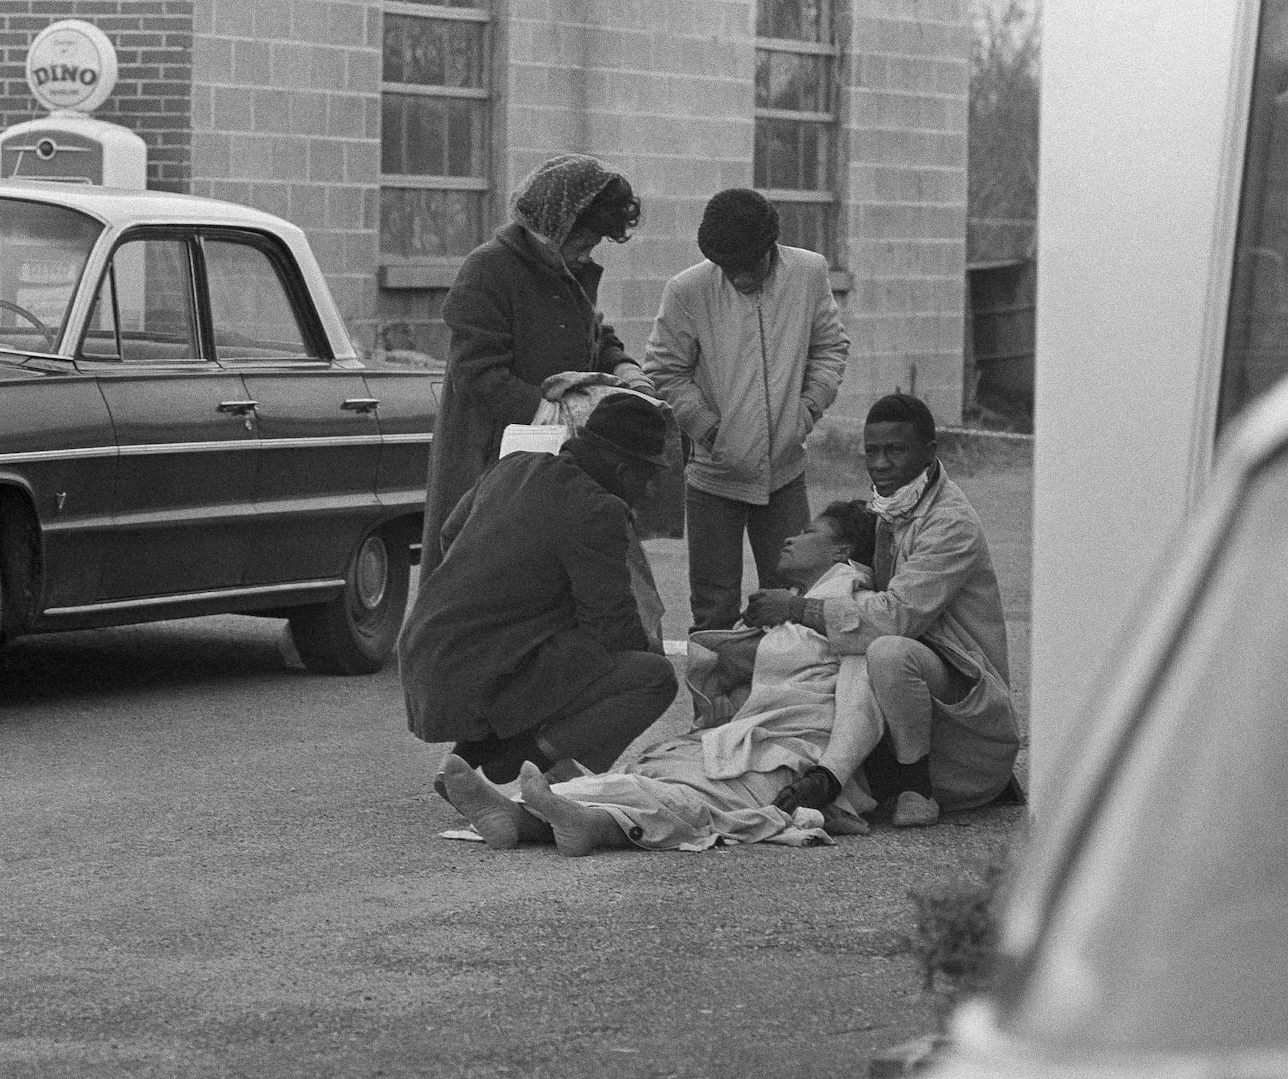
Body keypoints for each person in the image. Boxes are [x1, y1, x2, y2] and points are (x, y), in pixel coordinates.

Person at [437, 500, 885, 855]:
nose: (791, 537)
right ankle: (518, 817)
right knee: (657, 775)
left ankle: (587, 824)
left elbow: (858, 705)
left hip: (789, 757)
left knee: (694, 798)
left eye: (808, 532)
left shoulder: (853, 611)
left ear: (841, 553)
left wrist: (826, 777)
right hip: (743, 742)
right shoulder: (799, 609)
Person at [744, 394, 1021, 827]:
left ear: (929, 453)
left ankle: (918, 790)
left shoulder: (950, 523)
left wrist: (798, 608)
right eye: (872, 451)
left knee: (886, 650)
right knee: (853, 647)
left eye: (895, 450)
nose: (880, 463)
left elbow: (895, 617)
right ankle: (833, 777)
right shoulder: (893, 509)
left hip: (970, 728)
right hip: (912, 707)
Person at [400, 393, 678, 786]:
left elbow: (451, 534)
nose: (649, 488)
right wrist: (649, 644)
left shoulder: (513, 466)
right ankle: (523, 759)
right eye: (646, 474)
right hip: (479, 675)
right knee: (652, 677)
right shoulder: (597, 509)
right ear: (619, 468)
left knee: (549, 649)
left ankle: (460, 766)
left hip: (427, 658)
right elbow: (611, 627)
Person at [421, 153, 651, 577]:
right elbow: (477, 373)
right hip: (490, 453)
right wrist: (552, 414)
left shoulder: (567, 271)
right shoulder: (488, 270)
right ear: (553, 229)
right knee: (484, 573)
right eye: (583, 243)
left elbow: (592, 334)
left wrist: (625, 370)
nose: (587, 255)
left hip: (553, 455)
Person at [644, 187, 850, 631]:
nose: (737, 278)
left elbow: (830, 347)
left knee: (790, 602)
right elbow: (664, 370)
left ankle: (781, 702)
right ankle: (714, 703)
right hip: (713, 478)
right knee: (713, 609)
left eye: (746, 265)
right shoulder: (687, 289)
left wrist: (808, 409)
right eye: (726, 268)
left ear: (770, 248)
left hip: (785, 474)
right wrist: (710, 430)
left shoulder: (809, 272)